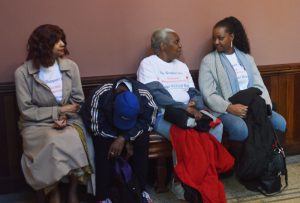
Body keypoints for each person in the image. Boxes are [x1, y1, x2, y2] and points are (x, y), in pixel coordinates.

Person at [137, 28, 224, 200]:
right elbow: (156, 95)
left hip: (190, 111)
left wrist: (196, 105)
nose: (180, 46)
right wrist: (183, 108)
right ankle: (180, 180)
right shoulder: (148, 64)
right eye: (176, 42)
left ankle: (206, 176)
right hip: (163, 114)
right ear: (163, 45)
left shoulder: (182, 66)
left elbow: (194, 92)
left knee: (216, 126)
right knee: (186, 134)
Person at [14, 24, 94, 203]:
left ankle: (73, 191)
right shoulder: (22, 73)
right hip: (35, 124)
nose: (62, 44)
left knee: (73, 138)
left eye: (62, 39)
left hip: (70, 119)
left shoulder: (71, 67)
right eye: (55, 41)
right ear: (42, 45)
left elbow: (78, 101)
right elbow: (27, 111)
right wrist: (57, 111)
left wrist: (65, 116)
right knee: (52, 141)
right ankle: (54, 192)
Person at [199, 16, 286, 146]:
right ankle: (240, 165)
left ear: (231, 37)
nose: (216, 42)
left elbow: (259, 85)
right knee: (240, 128)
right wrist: (229, 107)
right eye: (214, 38)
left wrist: (265, 108)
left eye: (220, 38)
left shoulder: (247, 58)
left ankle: (269, 160)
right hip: (225, 109)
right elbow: (208, 94)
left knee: (280, 122)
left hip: (252, 106)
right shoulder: (208, 61)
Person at [81, 77, 157, 203]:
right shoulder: (100, 94)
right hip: (106, 129)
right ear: (114, 103)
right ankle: (104, 196)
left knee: (143, 139)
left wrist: (125, 138)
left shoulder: (144, 95)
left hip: (132, 130)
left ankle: (141, 190)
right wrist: (117, 139)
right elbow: (95, 126)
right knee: (102, 143)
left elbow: (149, 122)